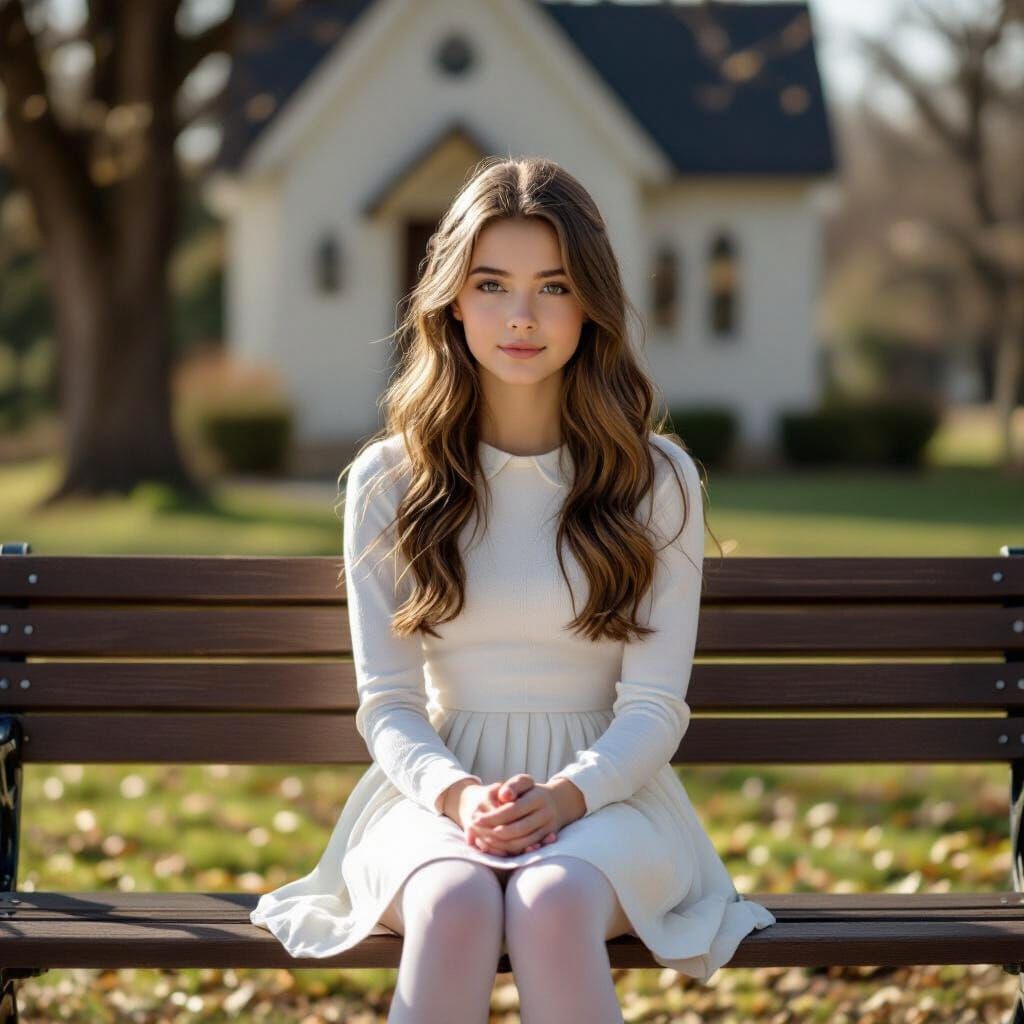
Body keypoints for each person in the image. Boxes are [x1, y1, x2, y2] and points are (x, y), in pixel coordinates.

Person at [249, 155, 776, 1023]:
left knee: (550, 899)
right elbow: (388, 703)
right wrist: (460, 797)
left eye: (553, 287)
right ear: (452, 300)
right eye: (491, 285)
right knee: (457, 901)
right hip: (431, 794)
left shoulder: (655, 480)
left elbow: (655, 706)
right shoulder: (391, 481)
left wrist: (565, 798)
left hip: (613, 799)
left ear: (591, 304)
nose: (521, 316)